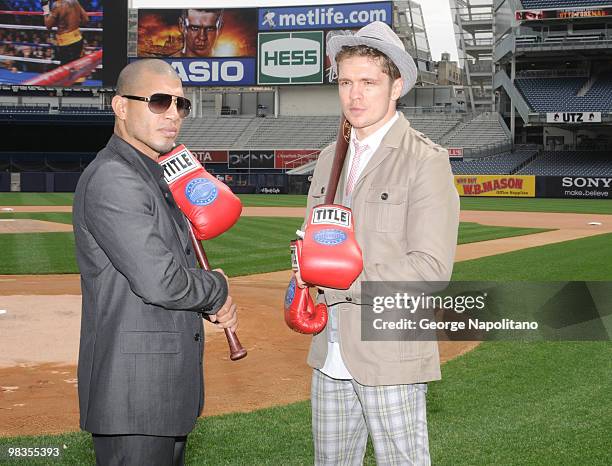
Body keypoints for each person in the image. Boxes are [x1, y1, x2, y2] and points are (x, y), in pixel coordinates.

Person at [296, 22, 459, 465]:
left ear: (397, 86)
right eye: (346, 81)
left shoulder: (425, 160)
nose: (355, 95)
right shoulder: (330, 158)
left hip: (391, 353)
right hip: (330, 352)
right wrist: (304, 271)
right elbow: (319, 241)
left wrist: (336, 283)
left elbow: (430, 270)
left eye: (369, 82)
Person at [73, 59, 238, 466]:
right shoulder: (115, 177)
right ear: (120, 106)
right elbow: (160, 281)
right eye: (159, 101)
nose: (173, 114)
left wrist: (205, 297)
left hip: (157, 396)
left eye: (181, 104)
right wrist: (215, 289)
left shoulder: (155, 174)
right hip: (133, 398)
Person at [42, 0, 88, 65]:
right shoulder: (75, 1)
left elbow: (48, 25)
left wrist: (45, 8)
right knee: (76, 66)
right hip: (78, 39)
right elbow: (86, 19)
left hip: (66, 43)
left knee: (66, 69)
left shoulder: (57, 5)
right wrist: (74, 24)